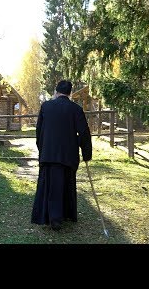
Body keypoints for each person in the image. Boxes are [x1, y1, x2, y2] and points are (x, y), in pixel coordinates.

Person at [31, 80, 92, 231]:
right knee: (67, 184)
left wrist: (42, 149)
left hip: (49, 154)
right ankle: (64, 215)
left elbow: (39, 131)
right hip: (68, 155)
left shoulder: (46, 106)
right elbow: (84, 132)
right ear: (70, 93)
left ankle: (52, 217)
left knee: (50, 186)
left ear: (56, 91)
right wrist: (86, 153)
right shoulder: (76, 109)